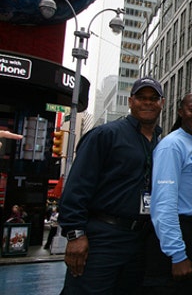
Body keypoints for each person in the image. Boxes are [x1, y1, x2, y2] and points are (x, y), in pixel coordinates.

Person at [58, 76, 165, 294]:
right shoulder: (105, 134)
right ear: (130, 101)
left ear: (161, 103)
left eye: (153, 98)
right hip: (103, 238)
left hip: (140, 240)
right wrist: (75, 234)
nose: (148, 103)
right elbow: (77, 185)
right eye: (141, 98)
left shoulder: (161, 143)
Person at [146, 92, 192, 294]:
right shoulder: (172, 145)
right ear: (181, 112)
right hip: (177, 235)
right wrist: (177, 254)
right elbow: (164, 203)